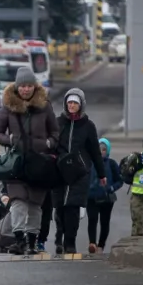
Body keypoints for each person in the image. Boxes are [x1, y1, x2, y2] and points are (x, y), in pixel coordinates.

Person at [0, 66, 59, 255]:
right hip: (17, 162)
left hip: (39, 162)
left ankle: (32, 242)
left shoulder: (45, 106)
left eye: (29, 86)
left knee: (35, 205)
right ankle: (19, 240)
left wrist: (49, 142)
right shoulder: (8, 106)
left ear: (34, 87)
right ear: (17, 87)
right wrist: (10, 140)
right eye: (22, 86)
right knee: (18, 202)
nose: (25, 89)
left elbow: (55, 132)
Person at [53, 89, 107, 254]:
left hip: (79, 172)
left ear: (81, 104)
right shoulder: (58, 122)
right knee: (60, 206)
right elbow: (51, 144)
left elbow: (95, 152)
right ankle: (59, 237)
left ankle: (70, 242)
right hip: (59, 170)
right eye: (69, 102)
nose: (72, 106)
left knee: (73, 208)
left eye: (75, 103)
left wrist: (101, 173)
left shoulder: (88, 126)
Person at [86, 137, 123, 254]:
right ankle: (92, 244)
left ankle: (101, 245)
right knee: (92, 220)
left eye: (103, 149)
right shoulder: (89, 163)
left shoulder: (111, 164)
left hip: (107, 199)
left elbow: (119, 180)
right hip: (91, 197)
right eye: (99, 149)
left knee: (104, 222)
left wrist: (111, 188)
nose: (101, 151)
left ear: (107, 150)